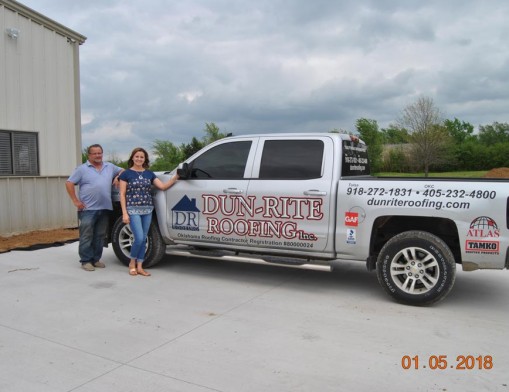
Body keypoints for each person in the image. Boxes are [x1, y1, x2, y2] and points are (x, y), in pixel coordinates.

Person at [119, 147, 179, 277]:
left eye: (142, 157)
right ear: (132, 158)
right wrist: (124, 213)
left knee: (144, 238)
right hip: (133, 209)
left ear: (145, 159)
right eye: (137, 156)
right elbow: (122, 194)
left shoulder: (149, 174)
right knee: (139, 238)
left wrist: (175, 178)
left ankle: (140, 266)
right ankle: (132, 262)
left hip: (147, 209)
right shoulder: (126, 174)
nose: (139, 159)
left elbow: (162, 187)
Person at [66, 144, 124, 271]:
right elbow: (69, 183)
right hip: (87, 209)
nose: (98, 155)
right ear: (89, 155)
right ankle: (86, 261)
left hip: (104, 208)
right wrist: (75, 201)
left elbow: (123, 170)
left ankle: (96, 259)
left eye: (100, 153)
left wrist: (118, 176)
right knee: (86, 235)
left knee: (100, 235)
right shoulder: (82, 169)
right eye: (95, 153)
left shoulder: (110, 166)